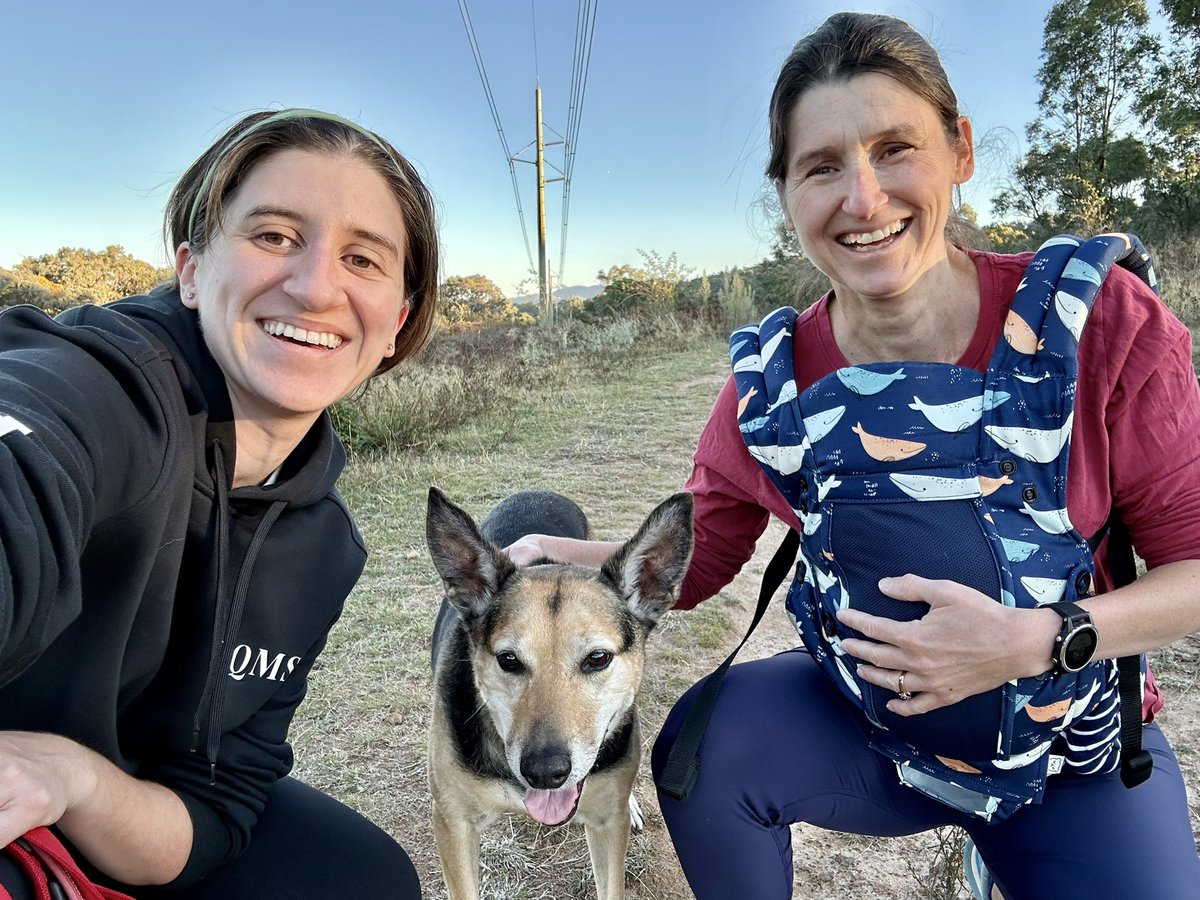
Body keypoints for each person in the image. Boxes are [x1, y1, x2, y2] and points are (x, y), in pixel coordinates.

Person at [503, 13, 1200, 900]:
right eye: (822, 166)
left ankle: (1005, 853)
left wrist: (1032, 640)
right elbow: (702, 559)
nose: (863, 200)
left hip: (1070, 757)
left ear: (960, 151)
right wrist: (553, 556)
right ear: (787, 194)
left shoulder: (1101, 327)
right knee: (702, 751)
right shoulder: (774, 379)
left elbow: (1194, 569)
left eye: (895, 149)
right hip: (866, 728)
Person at [0, 108, 435, 898]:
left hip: (97, 811)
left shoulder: (323, 546)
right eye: (272, 236)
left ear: (398, 321)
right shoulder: (107, 394)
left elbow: (216, 807)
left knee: (365, 880)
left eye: (363, 258)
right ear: (193, 270)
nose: (312, 288)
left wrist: (74, 779)